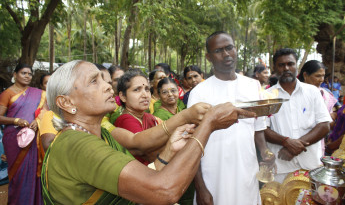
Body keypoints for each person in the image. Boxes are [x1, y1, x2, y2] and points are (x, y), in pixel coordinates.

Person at [42, 60, 256, 204]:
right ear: (66, 102)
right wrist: (208, 124)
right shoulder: (77, 145)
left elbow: (144, 179)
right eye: (94, 81)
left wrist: (169, 151)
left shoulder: (100, 136)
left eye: (105, 80)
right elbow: (164, 191)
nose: (108, 86)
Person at [188, 31, 275, 205]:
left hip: (246, 175)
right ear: (208, 57)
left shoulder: (252, 85)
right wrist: (201, 187)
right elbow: (191, 144)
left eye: (229, 48)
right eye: (219, 50)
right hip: (213, 177)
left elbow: (258, 130)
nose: (226, 54)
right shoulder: (199, 92)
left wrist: (265, 152)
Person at [264, 48, 332, 183]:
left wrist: (294, 147)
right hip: (281, 167)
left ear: (297, 65)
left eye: (290, 64)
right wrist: (286, 142)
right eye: (281, 65)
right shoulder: (267, 96)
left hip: (310, 166)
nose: (286, 68)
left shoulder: (312, 92)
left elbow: (324, 125)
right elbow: (262, 130)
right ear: (274, 67)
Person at [0, 63, 47, 204]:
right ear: (15, 75)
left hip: (34, 138)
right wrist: (16, 120)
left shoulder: (39, 94)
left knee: (34, 174)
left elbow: (45, 112)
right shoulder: (7, 93)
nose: (27, 76)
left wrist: (38, 121)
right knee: (18, 175)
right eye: (23, 73)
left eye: (29, 74)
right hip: (14, 139)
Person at [115, 70, 164, 165]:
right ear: (123, 96)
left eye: (147, 89)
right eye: (137, 90)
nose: (145, 95)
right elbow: (147, 151)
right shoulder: (126, 120)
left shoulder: (149, 117)